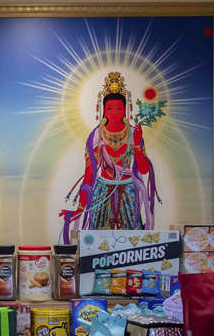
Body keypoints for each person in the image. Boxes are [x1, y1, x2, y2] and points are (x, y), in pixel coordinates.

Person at [63, 71, 159, 233]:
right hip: (102, 191)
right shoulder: (97, 135)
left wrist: (137, 145)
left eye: (119, 108)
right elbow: (89, 173)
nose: (114, 113)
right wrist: (80, 208)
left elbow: (143, 169)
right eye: (109, 108)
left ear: (126, 110)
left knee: (131, 239)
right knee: (98, 238)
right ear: (103, 110)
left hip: (128, 190)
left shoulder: (134, 133)